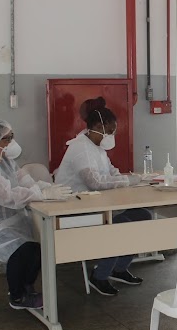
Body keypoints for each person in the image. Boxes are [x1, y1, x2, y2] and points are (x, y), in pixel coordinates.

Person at [0, 119, 73, 309]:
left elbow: (25, 182)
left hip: (3, 220)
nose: (12, 142)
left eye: (12, 136)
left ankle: (27, 288)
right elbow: (6, 196)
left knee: (39, 245)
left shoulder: (6, 161)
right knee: (24, 249)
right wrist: (41, 195)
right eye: (7, 138)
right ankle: (17, 297)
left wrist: (45, 188)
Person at [55, 97, 150, 296]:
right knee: (120, 225)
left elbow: (110, 171)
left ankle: (119, 268)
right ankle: (99, 275)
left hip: (96, 205)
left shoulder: (96, 147)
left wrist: (129, 178)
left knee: (142, 216)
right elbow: (95, 182)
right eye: (110, 131)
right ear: (98, 127)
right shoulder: (81, 148)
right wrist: (127, 182)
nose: (112, 135)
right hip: (74, 209)